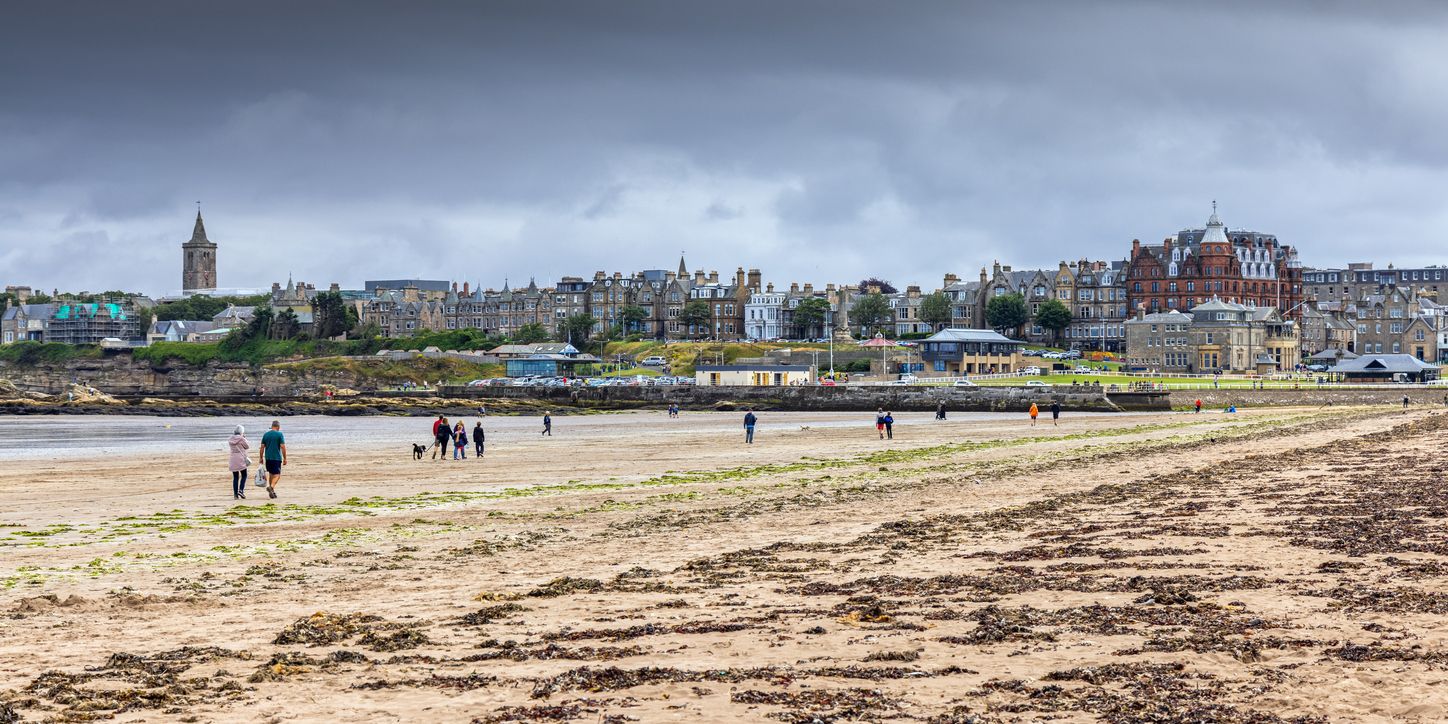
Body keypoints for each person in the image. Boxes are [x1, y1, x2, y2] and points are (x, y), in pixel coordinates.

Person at [260, 420, 286, 499]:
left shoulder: (266, 434)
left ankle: (272, 491)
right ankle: (271, 487)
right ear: (278, 427)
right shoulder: (279, 434)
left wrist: (261, 457)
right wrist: (285, 458)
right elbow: (282, 447)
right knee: (277, 475)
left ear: (272, 426)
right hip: (276, 458)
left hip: (268, 458)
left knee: (271, 474)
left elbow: (262, 447)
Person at [228, 425, 250, 500]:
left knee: (235, 477)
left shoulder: (230, 438)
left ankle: (235, 495)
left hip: (233, 459)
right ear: (241, 432)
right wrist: (244, 438)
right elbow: (247, 446)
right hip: (241, 458)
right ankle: (241, 490)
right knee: (244, 475)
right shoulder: (241, 438)